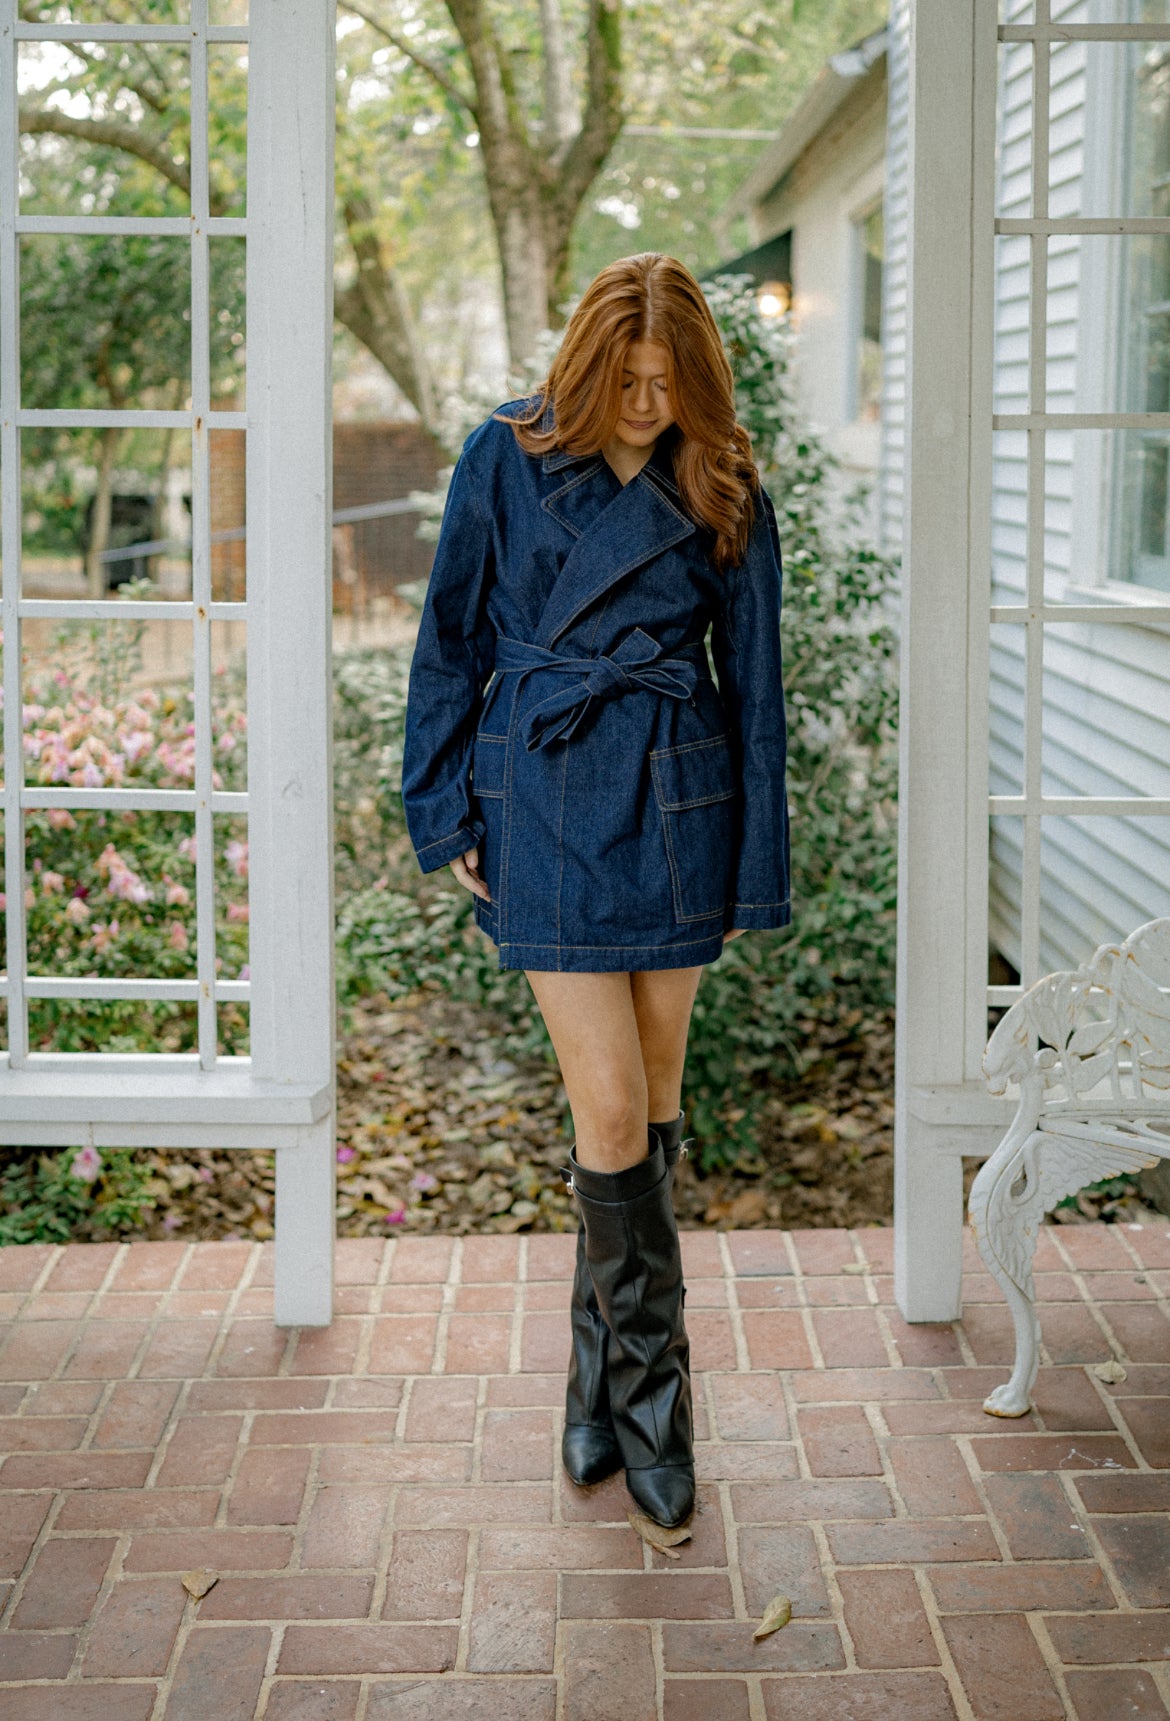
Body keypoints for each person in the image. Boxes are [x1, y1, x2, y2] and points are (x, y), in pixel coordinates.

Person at [402, 252, 790, 1528]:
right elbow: (449, 635)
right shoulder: (503, 456)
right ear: (582, 364)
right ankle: (661, 1401)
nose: (642, 399)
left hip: (681, 801)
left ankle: (593, 1381)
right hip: (547, 793)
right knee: (612, 1109)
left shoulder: (720, 476)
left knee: (648, 1111)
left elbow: (759, 687)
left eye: (664, 377)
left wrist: (754, 863)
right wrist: (446, 798)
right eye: (621, 377)